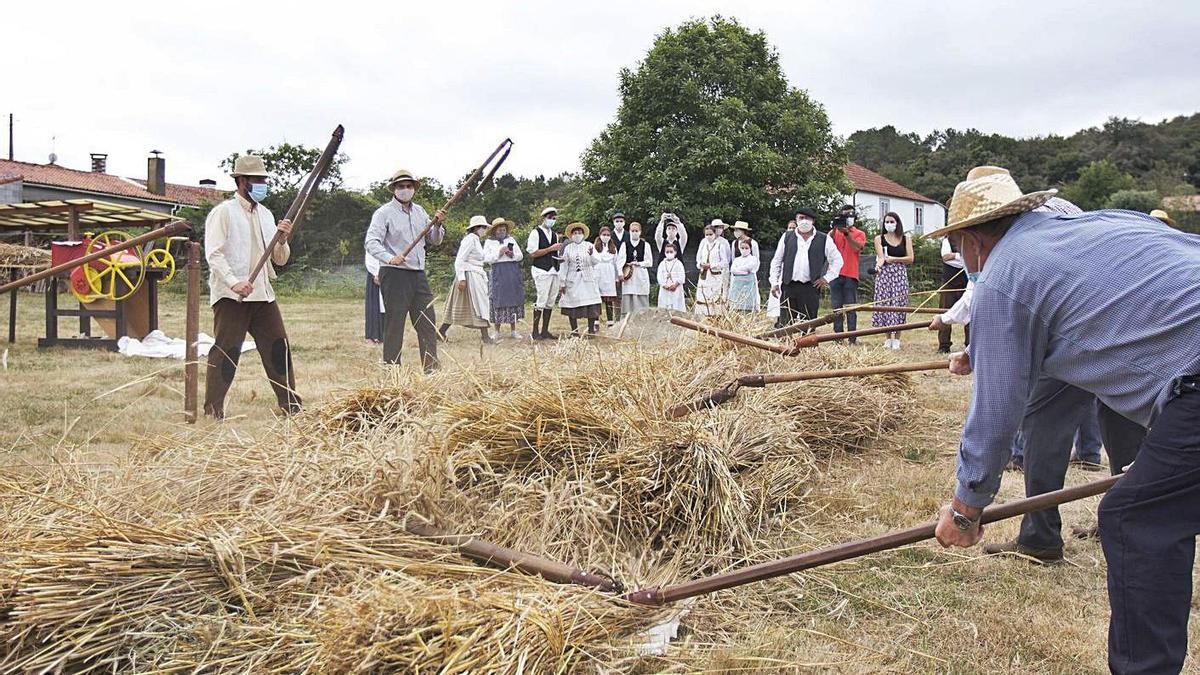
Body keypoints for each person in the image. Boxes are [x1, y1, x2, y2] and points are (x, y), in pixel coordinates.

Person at [928, 165, 1200, 674]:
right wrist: (983, 347)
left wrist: (967, 507)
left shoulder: (1005, 275)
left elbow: (995, 412)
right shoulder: (1099, 225)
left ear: (969, 240)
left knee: (1136, 518)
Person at [202, 155, 300, 419]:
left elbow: (279, 259)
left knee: (278, 347)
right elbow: (214, 254)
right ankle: (213, 410)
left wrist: (282, 240)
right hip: (232, 297)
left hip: (263, 295)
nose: (262, 184)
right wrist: (235, 283)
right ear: (242, 181)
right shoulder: (223, 213)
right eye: (257, 180)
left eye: (264, 180)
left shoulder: (267, 216)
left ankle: (290, 406)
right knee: (227, 351)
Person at [364, 168, 447, 372]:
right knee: (395, 324)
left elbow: (435, 240)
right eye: (401, 186)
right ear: (394, 189)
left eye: (409, 186)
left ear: (414, 189)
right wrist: (390, 258)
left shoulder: (420, 212)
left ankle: (431, 370)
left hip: (418, 273)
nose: (405, 189)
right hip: (394, 274)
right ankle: (393, 372)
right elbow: (371, 242)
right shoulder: (383, 213)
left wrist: (437, 225)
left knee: (427, 323)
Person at [769, 208, 842, 327]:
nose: (804, 221)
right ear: (796, 220)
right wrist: (774, 282)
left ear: (813, 221)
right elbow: (776, 261)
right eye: (801, 218)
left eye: (807, 218)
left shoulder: (824, 239)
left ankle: (807, 345)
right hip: (789, 285)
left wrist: (826, 278)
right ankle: (784, 345)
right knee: (785, 323)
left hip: (810, 287)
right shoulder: (787, 237)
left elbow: (837, 260)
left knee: (808, 324)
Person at [439, 216, 493, 344]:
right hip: (469, 275)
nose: (484, 230)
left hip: (476, 274)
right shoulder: (469, 240)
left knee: (479, 305)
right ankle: (485, 337)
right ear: (476, 228)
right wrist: (462, 279)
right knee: (478, 304)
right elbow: (460, 260)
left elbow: (481, 258)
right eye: (483, 227)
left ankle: (441, 332)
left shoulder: (476, 240)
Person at [871, 212, 914, 349]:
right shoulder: (879, 239)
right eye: (887, 222)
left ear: (897, 223)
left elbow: (910, 258)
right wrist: (878, 266)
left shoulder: (905, 239)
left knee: (899, 303)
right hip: (885, 274)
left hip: (899, 274)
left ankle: (897, 338)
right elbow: (881, 257)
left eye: (892, 221)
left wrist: (895, 259)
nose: (889, 224)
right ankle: (888, 337)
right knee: (885, 304)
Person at [557, 223, 603, 336]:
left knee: (591, 303)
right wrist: (562, 282)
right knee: (572, 304)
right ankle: (574, 331)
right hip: (572, 279)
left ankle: (591, 330)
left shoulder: (589, 245)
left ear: (583, 234)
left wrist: (592, 255)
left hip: (588, 278)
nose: (577, 235)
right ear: (571, 235)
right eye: (575, 233)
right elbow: (564, 266)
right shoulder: (568, 248)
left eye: (579, 233)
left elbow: (597, 261)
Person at [483, 217, 524, 340]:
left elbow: (520, 255)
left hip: (511, 271)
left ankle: (513, 330)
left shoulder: (511, 240)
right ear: (494, 231)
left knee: (513, 299)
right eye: (500, 230)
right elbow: (486, 259)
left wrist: (512, 255)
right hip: (497, 272)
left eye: (504, 230)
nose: (502, 232)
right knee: (497, 299)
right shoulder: (489, 242)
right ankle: (497, 331)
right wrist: (498, 254)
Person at [829, 209, 867, 342]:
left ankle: (852, 337)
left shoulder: (859, 233)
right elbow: (827, 244)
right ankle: (838, 337)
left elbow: (857, 247)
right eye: (844, 216)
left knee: (851, 307)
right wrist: (834, 228)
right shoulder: (835, 233)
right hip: (835, 273)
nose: (847, 218)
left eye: (850, 215)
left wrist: (847, 235)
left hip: (850, 273)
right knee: (836, 308)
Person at [526, 207, 562, 340]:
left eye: (554, 218)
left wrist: (559, 258)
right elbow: (533, 253)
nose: (552, 220)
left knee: (551, 300)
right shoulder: (536, 233)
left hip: (554, 269)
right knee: (541, 299)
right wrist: (549, 249)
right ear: (544, 218)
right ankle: (535, 331)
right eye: (550, 217)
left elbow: (554, 253)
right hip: (541, 269)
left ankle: (545, 330)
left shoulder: (554, 235)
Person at [937, 236, 969, 353]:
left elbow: (972, 257)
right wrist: (960, 256)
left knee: (970, 311)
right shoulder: (947, 240)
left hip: (966, 279)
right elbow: (946, 257)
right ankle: (944, 345)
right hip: (949, 281)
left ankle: (970, 344)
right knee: (944, 311)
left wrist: (955, 256)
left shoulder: (969, 239)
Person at [694, 221, 729, 316]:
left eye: (710, 234)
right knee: (703, 296)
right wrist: (700, 264)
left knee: (715, 297)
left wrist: (712, 265)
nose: (708, 236)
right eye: (706, 234)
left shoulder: (720, 244)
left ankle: (716, 316)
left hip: (715, 276)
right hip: (704, 275)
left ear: (714, 234)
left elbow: (725, 262)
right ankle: (703, 316)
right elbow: (698, 258)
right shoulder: (703, 243)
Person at [619, 221, 653, 318]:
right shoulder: (624, 244)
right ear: (629, 232)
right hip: (629, 274)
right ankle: (626, 319)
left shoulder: (646, 245)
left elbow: (649, 262)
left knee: (641, 296)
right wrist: (621, 272)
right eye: (632, 231)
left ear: (640, 232)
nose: (634, 232)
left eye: (636, 231)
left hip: (640, 274)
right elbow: (620, 261)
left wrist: (639, 263)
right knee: (628, 297)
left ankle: (642, 319)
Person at [766, 220, 796, 327]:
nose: (791, 230)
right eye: (790, 228)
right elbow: (778, 258)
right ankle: (780, 321)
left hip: (794, 274)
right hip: (783, 273)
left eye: (794, 228)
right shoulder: (785, 237)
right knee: (779, 299)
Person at [594, 225, 621, 326]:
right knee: (597, 299)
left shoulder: (613, 247)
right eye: (604, 234)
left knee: (609, 300)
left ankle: (610, 321)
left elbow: (615, 262)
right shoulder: (595, 247)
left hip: (609, 273)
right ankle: (596, 320)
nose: (606, 236)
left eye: (608, 235)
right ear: (600, 235)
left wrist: (617, 277)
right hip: (598, 272)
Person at [728, 235, 760, 312]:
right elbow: (733, 270)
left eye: (746, 248)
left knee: (748, 303)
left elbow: (750, 267)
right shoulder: (737, 259)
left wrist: (739, 270)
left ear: (750, 249)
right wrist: (744, 271)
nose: (744, 250)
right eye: (742, 248)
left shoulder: (753, 259)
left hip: (748, 284)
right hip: (737, 285)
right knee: (737, 303)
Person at [656, 241, 686, 311]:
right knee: (664, 307)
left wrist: (675, 285)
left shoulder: (679, 263)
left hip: (676, 289)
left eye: (671, 251)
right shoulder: (662, 264)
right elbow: (659, 276)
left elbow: (682, 276)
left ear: (675, 252)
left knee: (676, 306)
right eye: (667, 252)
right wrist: (664, 285)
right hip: (665, 289)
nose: (669, 253)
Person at [364, 250, 384, 344]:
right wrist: (375, 273)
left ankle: (383, 336)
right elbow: (371, 253)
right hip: (375, 275)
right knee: (374, 306)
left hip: (387, 273)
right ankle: (372, 335)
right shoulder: (372, 237)